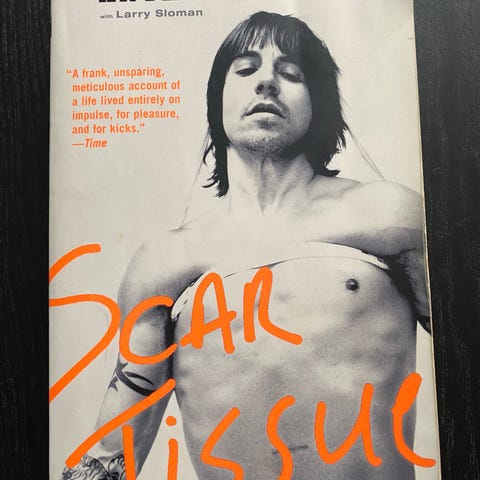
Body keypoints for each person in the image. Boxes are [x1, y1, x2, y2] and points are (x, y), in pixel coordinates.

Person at [63, 11, 430, 480]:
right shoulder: (165, 263)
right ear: (217, 99)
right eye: (246, 69)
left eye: (290, 73)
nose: (266, 82)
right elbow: (109, 455)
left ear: (317, 102)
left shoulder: (389, 215)